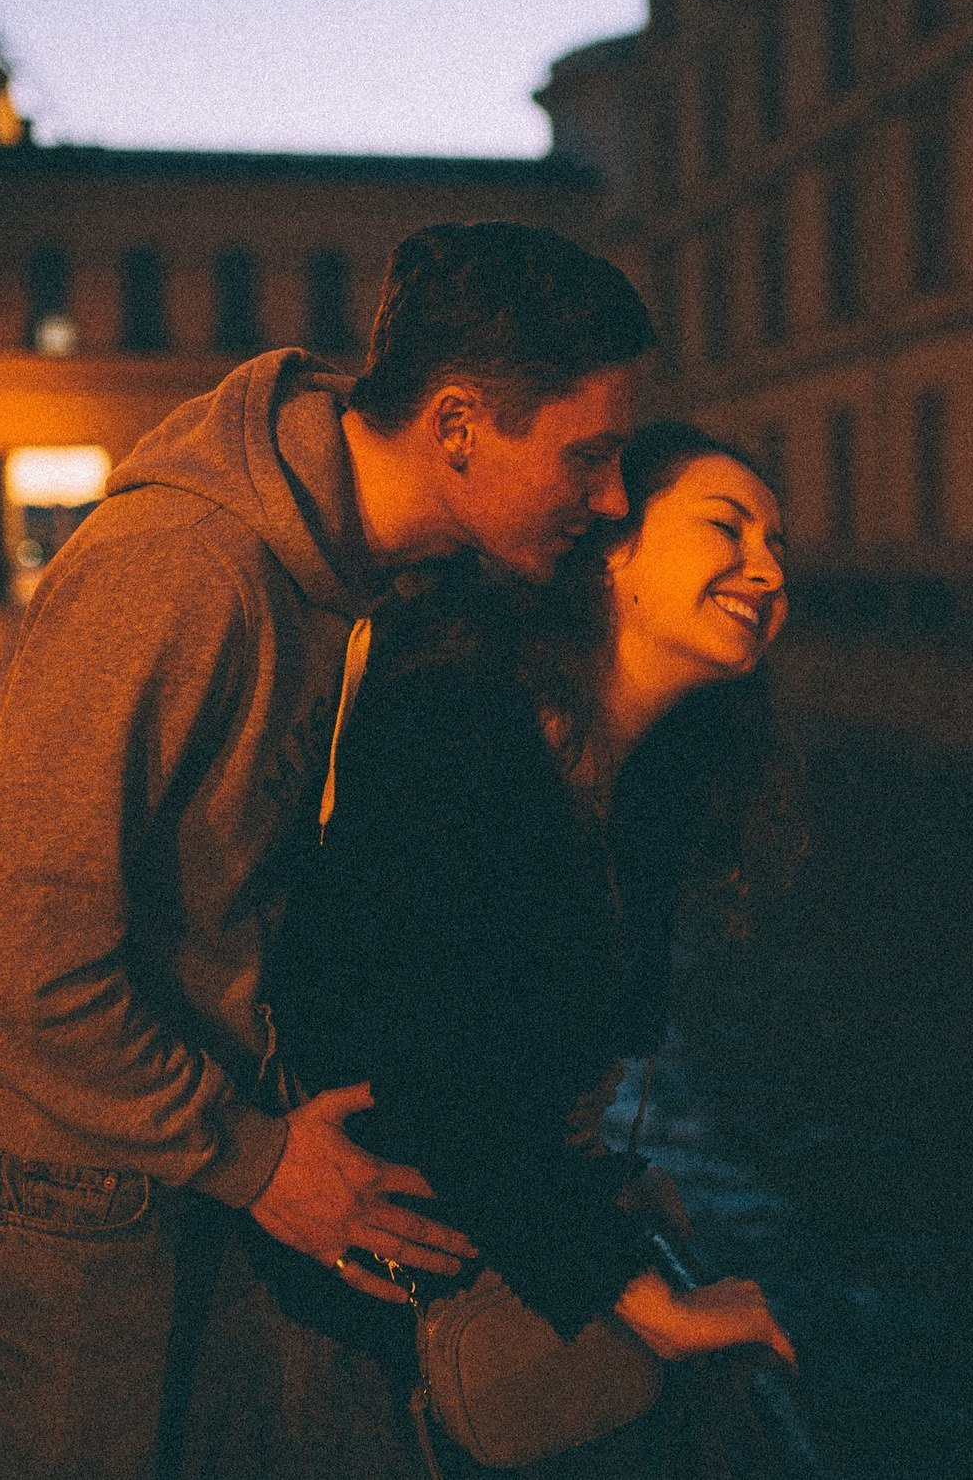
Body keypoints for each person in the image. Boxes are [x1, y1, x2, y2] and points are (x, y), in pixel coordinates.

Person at [0, 222, 652, 1480]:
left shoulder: (355, 577)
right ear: (458, 426)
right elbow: (2, 959)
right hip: (74, 1207)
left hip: (182, 1164)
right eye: (590, 453)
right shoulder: (183, 570)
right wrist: (255, 1163)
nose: (615, 496)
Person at [194, 421, 798, 1477]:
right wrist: (644, 1291)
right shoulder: (460, 725)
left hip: (476, 1242)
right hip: (370, 1307)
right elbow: (431, 1064)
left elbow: (534, 1049)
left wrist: (589, 1186)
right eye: (726, 525)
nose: (767, 565)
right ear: (612, 548)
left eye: (777, 540)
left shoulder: (649, 772)